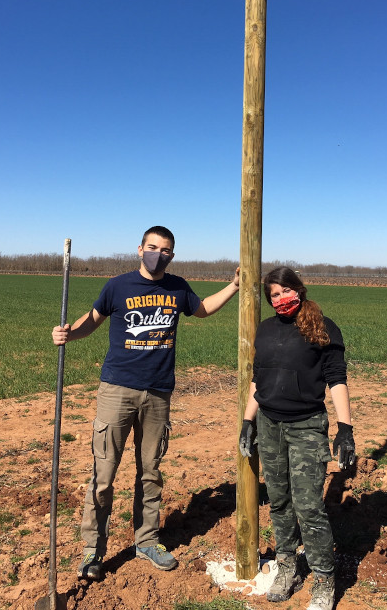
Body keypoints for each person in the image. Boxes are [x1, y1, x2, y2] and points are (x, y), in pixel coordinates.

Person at [52, 225, 240, 579]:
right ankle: (93, 550)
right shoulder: (118, 286)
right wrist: (68, 334)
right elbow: (92, 321)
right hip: (117, 389)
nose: (158, 254)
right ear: (140, 249)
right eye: (153, 247)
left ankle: (147, 541)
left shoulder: (178, 287)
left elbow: (202, 310)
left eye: (165, 250)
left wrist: (233, 286)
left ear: (172, 255)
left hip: (158, 393)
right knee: (103, 475)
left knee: (150, 472)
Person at [239, 266, 355, 610]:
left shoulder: (322, 326)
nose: (280, 298)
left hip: (306, 426)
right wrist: (248, 420)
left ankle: (323, 580)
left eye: (285, 290)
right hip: (270, 425)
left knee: (308, 506)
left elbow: (336, 378)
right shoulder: (265, 330)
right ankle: (287, 565)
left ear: (299, 290)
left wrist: (345, 428)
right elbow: (257, 380)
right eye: (273, 294)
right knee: (279, 502)